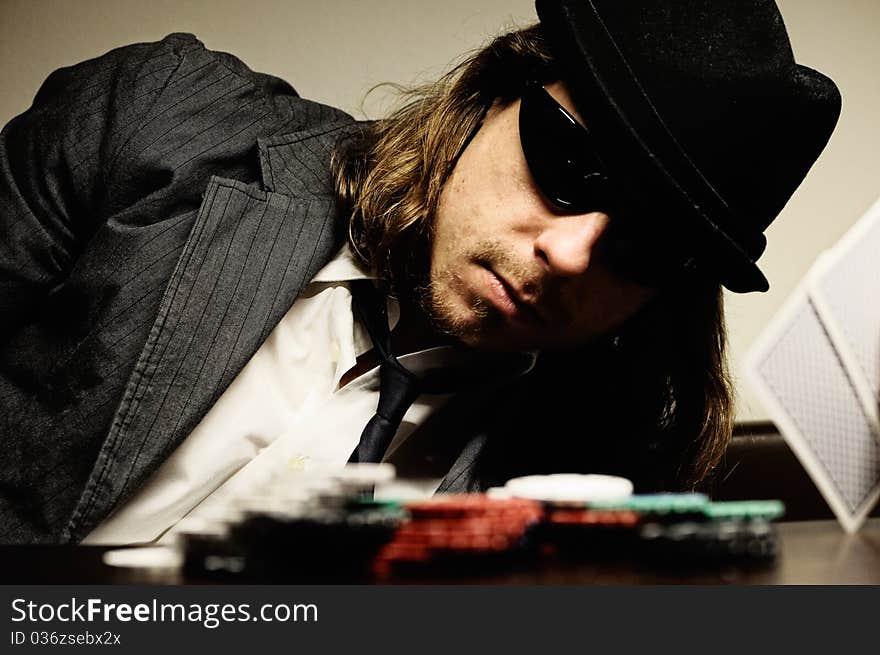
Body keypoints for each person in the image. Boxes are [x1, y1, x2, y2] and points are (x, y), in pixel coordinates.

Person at [0, 0, 840, 544]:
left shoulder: (598, 462)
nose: (569, 253)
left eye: (648, 245)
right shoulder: (159, 117)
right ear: (493, 92)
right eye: (574, 167)